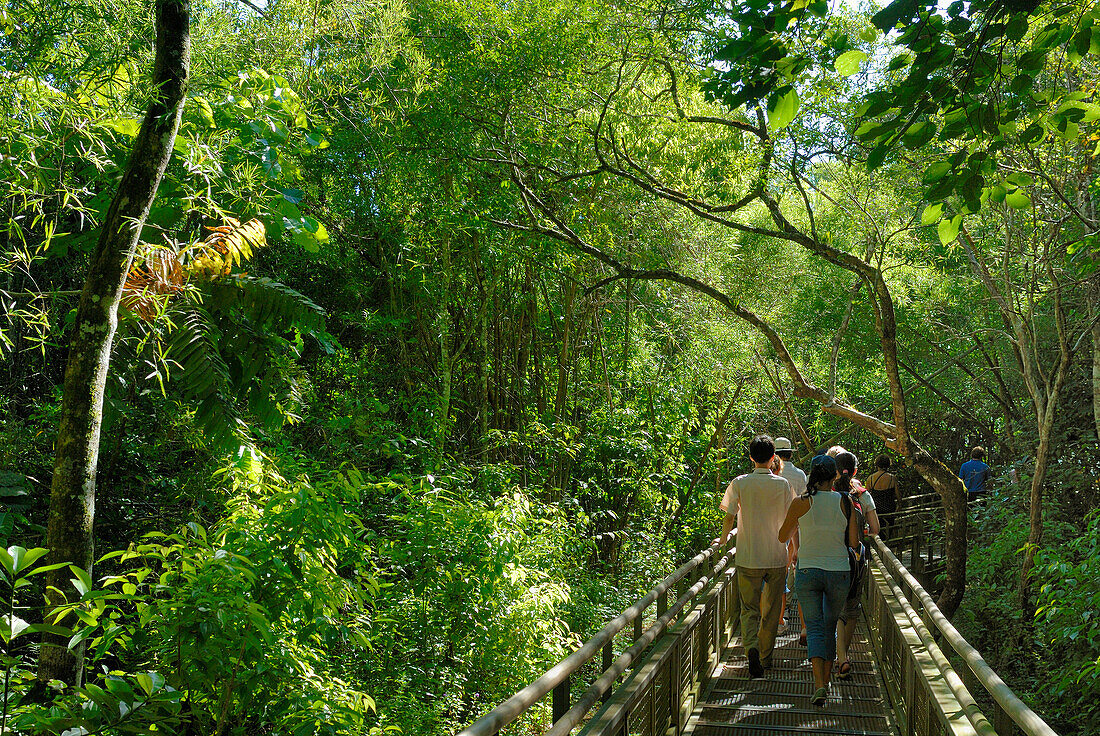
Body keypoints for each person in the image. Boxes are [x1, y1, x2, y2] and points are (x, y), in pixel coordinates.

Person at [779, 454, 861, 707]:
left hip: (808, 571)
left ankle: (819, 686)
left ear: (813, 474)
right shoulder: (846, 502)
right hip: (838, 571)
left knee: (814, 628)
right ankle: (826, 682)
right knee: (829, 625)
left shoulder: (800, 502)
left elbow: (783, 536)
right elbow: (854, 543)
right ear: (835, 476)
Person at [720, 435, 793, 679]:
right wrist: (793, 549)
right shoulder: (782, 485)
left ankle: (750, 646)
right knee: (771, 611)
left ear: (751, 457)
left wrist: (721, 542)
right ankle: (765, 656)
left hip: (748, 555)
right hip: (775, 556)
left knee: (748, 608)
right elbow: (790, 520)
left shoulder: (739, 483)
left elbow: (729, 517)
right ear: (774, 458)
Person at [832, 451, 878, 681]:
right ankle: (843, 656)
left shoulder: (827, 493)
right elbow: (875, 528)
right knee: (850, 610)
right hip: (857, 559)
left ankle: (841, 658)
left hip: (831, 556)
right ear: (856, 471)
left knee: (835, 609)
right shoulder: (862, 494)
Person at [774, 437, 807, 640]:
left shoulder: (772, 473)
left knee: (777, 572)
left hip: (774, 528)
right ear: (791, 453)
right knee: (792, 570)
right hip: (796, 528)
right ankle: (791, 612)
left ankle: (778, 616)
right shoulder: (800, 475)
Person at [867, 454, 900, 540]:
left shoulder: (870, 478)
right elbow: (898, 496)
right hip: (889, 510)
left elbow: (866, 495)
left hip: (876, 511)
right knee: (888, 534)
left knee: (878, 533)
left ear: (877, 464)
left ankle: (879, 551)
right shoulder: (892, 478)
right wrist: (899, 506)